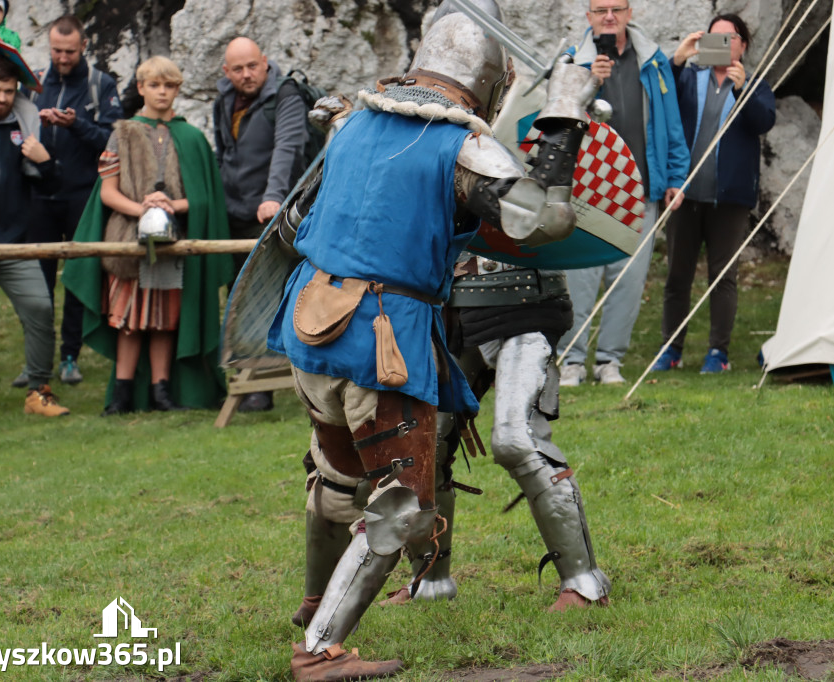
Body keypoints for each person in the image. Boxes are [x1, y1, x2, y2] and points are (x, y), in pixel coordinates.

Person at [265, 1, 599, 677]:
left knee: (334, 476)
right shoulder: (464, 144)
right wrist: (565, 112)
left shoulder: (355, 122)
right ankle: (322, 649)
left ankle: (314, 597)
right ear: (491, 80)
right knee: (401, 501)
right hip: (382, 340)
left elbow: (298, 223)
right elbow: (547, 221)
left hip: (310, 326)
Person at [370, 254, 612, 613]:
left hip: (525, 300)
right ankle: (431, 581)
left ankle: (583, 582)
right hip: (450, 305)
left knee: (517, 440)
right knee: (422, 450)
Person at [62, 56, 233, 415]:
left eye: (169, 86)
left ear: (177, 90)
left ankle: (161, 391)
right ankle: (122, 394)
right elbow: (107, 192)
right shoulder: (121, 132)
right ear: (140, 88)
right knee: (127, 319)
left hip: (173, 244)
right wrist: (145, 208)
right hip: (127, 243)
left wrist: (169, 206)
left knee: (164, 320)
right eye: (154, 85)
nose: (162, 92)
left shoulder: (191, 137)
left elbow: (204, 198)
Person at [558, 0, 690, 386]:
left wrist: (676, 178)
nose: (609, 16)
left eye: (617, 8)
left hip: (640, 188)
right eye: (601, 10)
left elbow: (671, 124)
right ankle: (571, 360)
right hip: (586, 189)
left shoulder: (654, 61)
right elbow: (555, 121)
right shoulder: (571, 63)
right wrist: (588, 80)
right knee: (580, 279)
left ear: (630, 13)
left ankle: (609, 361)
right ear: (589, 17)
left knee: (627, 281)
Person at [654, 14, 775, 373]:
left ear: (743, 45)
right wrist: (677, 60)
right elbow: (662, 102)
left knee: (723, 278)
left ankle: (717, 353)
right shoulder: (690, 78)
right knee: (678, 276)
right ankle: (670, 350)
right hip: (684, 195)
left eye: (730, 38)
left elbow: (763, 122)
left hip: (731, 199)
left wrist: (743, 91)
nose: (723, 44)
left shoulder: (755, 84)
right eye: (715, 38)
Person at [0, 55, 70, 418]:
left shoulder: (26, 123)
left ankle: (39, 392)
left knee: (40, 307)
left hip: (15, 242)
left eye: (9, 91)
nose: (2, 98)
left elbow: (55, 187)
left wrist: (45, 160)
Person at [19, 14, 122, 388]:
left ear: (83, 48)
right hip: (40, 195)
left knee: (77, 280)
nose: (62, 58)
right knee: (36, 282)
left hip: (82, 195)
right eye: (56, 51)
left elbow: (113, 142)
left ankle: (69, 356)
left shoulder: (100, 84)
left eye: (69, 51)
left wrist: (74, 123)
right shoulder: (33, 85)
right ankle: (36, 359)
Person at [214, 36, 308, 413]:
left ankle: (263, 387)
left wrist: (274, 197)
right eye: (237, 69)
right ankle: (246, 378)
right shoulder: (223, 100)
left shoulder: (286, 95)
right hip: (234, 213)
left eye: (252, 65)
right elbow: (224, 153)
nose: (246, 74)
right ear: (226, 72)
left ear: (265, 62)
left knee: (269, 296)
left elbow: (287, 147)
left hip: (272, 213)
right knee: (237, 296)